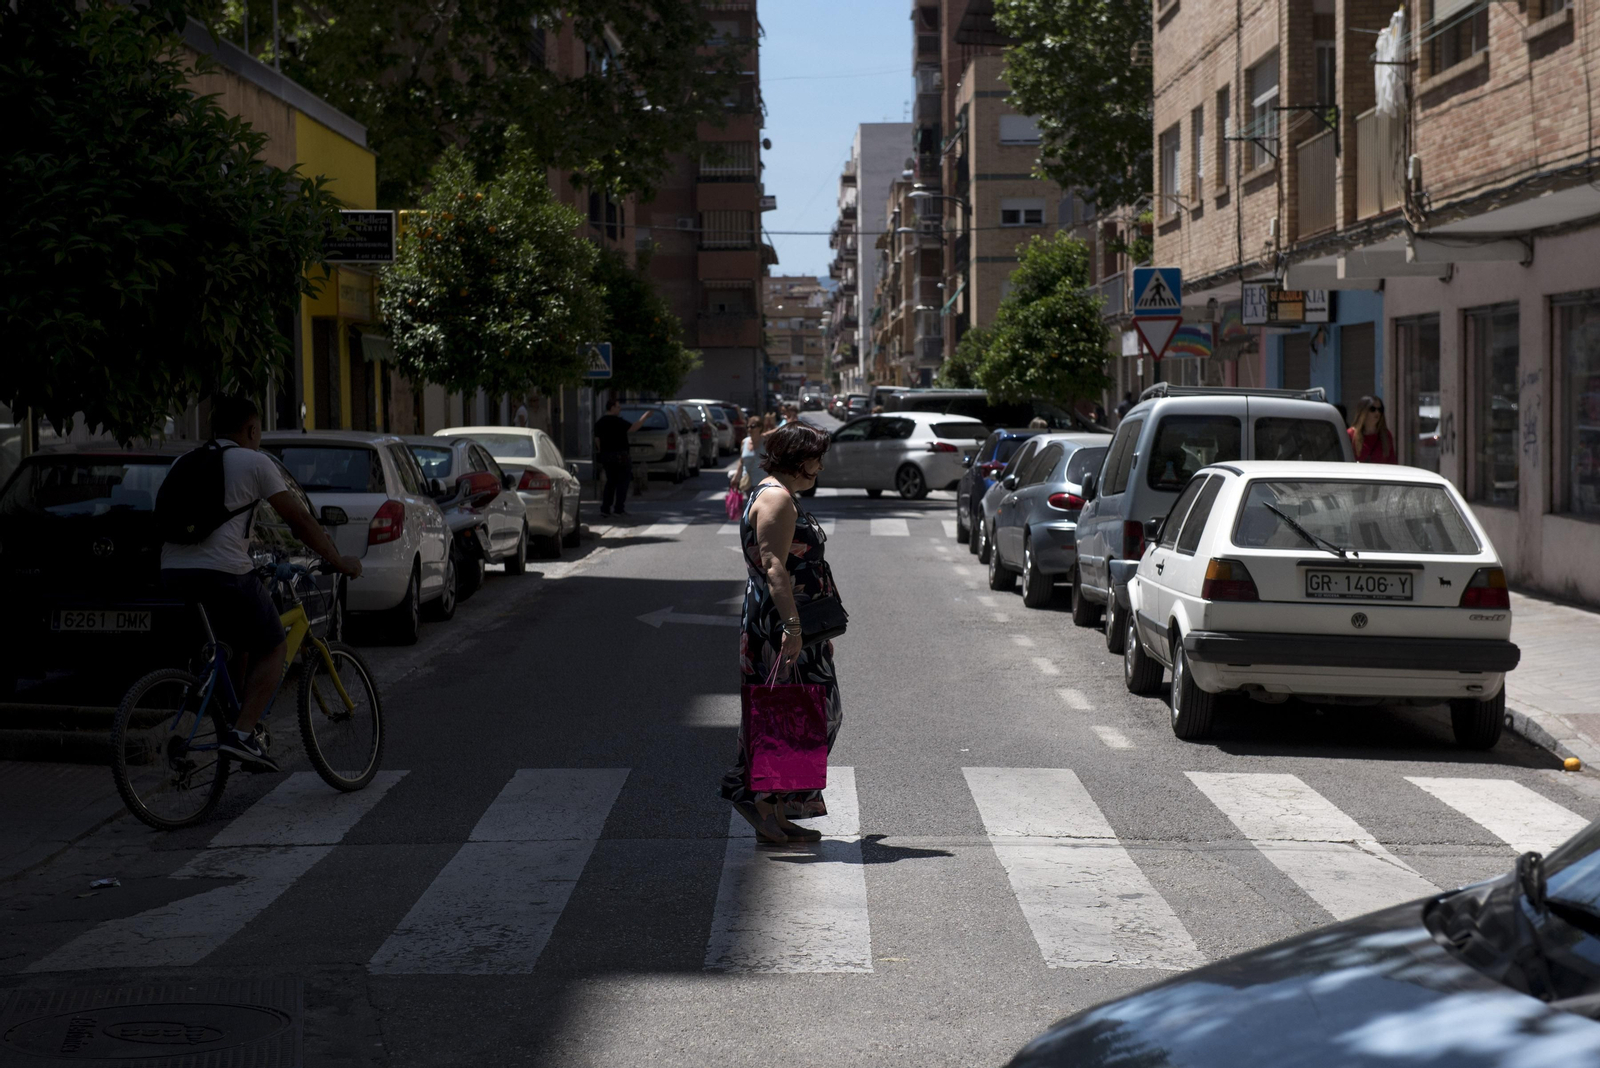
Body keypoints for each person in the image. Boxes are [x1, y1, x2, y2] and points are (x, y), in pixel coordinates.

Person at [160, 396, 362, 772]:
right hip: (224, 572)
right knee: (273, 645)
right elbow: (299, 521)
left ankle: (234, 729)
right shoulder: (254, 462)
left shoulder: (183, 461)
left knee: (235, 646)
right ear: (252, 430)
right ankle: (241, 735)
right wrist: (338, 561)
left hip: (174, 570)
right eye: (259, 434)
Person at [723, 421, 841, 844]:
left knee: (794, 713)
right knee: (812, 712)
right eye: (816, 458)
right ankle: (755, 798)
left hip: (788, 622)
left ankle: (777, 812)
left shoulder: (780, 494)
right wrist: (792, 627)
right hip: (777, 624)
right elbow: (774, 568)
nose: (820, 466)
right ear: (799, 458)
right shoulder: (775, 498)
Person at [593, 397, 651, 516]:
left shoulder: (600, 422)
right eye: (618, 407)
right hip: (621, 456)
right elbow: (634, 428)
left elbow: (596, 440)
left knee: (610, 482)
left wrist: (603, 451)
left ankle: (605, 508)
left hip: (607, 456)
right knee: (623, 483)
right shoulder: (618, 421)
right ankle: (619, 508)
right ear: (612, 407)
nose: (620, 409)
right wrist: (644, 417)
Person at [1348, 395, 1398, 463]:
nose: (1377, 413)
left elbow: (1392, 462)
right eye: (1372, 409)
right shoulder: (1351, 435)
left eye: (1380, 410)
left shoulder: (1386, 435)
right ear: (1363, 411)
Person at [730, 412, 771, 494]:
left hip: (762, 484)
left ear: (760, 427)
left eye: (752, 427)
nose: (749, 429)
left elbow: (771, 462)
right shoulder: (744, 442)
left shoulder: (765, 443)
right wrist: (735, 477)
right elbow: (741, 462)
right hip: (747, 483)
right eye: (748, 427)